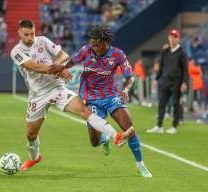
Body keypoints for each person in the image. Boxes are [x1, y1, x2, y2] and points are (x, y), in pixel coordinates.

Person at [10, 20, 129, 172]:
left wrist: (59, 66)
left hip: (56, 88)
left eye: (32, 34)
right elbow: (33, 66)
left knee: (84, 111)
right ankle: (35, 158)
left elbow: (63, 55)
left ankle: (115, 136)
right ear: (19, 33)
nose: (30, 38)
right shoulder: (16, 51)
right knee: (31, 135)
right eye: (26, 35)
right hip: (37, 95)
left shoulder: (43, 41)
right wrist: (57, 69)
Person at [49, 25, 152, 177]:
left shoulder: (117, 55)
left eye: (97, 45)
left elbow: (130, 76)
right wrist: (62, 68)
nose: (94, 47)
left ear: (105, 42)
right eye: (93, 44)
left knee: (129, 128)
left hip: (111, 97)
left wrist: (125, 90)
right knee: (94, 142)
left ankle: (140, 165)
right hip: (91, 99)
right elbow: (71, 62)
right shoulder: (86, 51)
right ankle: (104, 138)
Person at [147, 29, 188, 134]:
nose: (172, 38)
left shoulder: (182, 53)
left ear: (178, 39)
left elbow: (185, 70)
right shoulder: (165, 51)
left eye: (174, 37)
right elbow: (161, 67)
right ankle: (159, 126)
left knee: (175, 104)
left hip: (176, 82)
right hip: (164, 81)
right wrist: (156, 79)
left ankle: (174, 126)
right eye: (171, 36)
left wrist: (184, 82)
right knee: (161, 104)